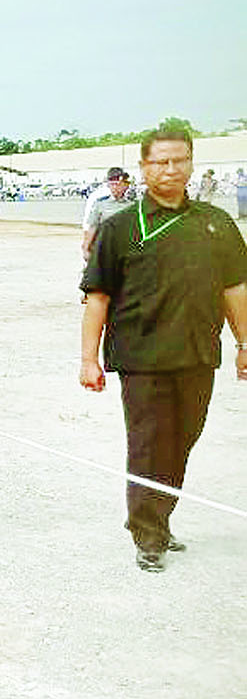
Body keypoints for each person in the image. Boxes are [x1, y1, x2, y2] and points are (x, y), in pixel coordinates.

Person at [79, 124, 247, 572]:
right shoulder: (119, 228)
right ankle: (147, 532)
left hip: (197, 355)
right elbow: (98, 298)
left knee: (181, 442)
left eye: (180, 160)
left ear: (191, 164)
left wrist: (244, 342)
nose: (171, 169)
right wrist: (88, 359)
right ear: (144, 168)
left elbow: (235, 288)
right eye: (161, 161)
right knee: (149, 445)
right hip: (141, 359)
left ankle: (160, 516)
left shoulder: (216, 223)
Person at [80, 167, 132, 261]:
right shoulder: (100, 204)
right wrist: (85, 248)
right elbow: (92, 226)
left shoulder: (132, 204)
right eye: (112, 184)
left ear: (125, 186)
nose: (115, 188)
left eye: (118, 184)